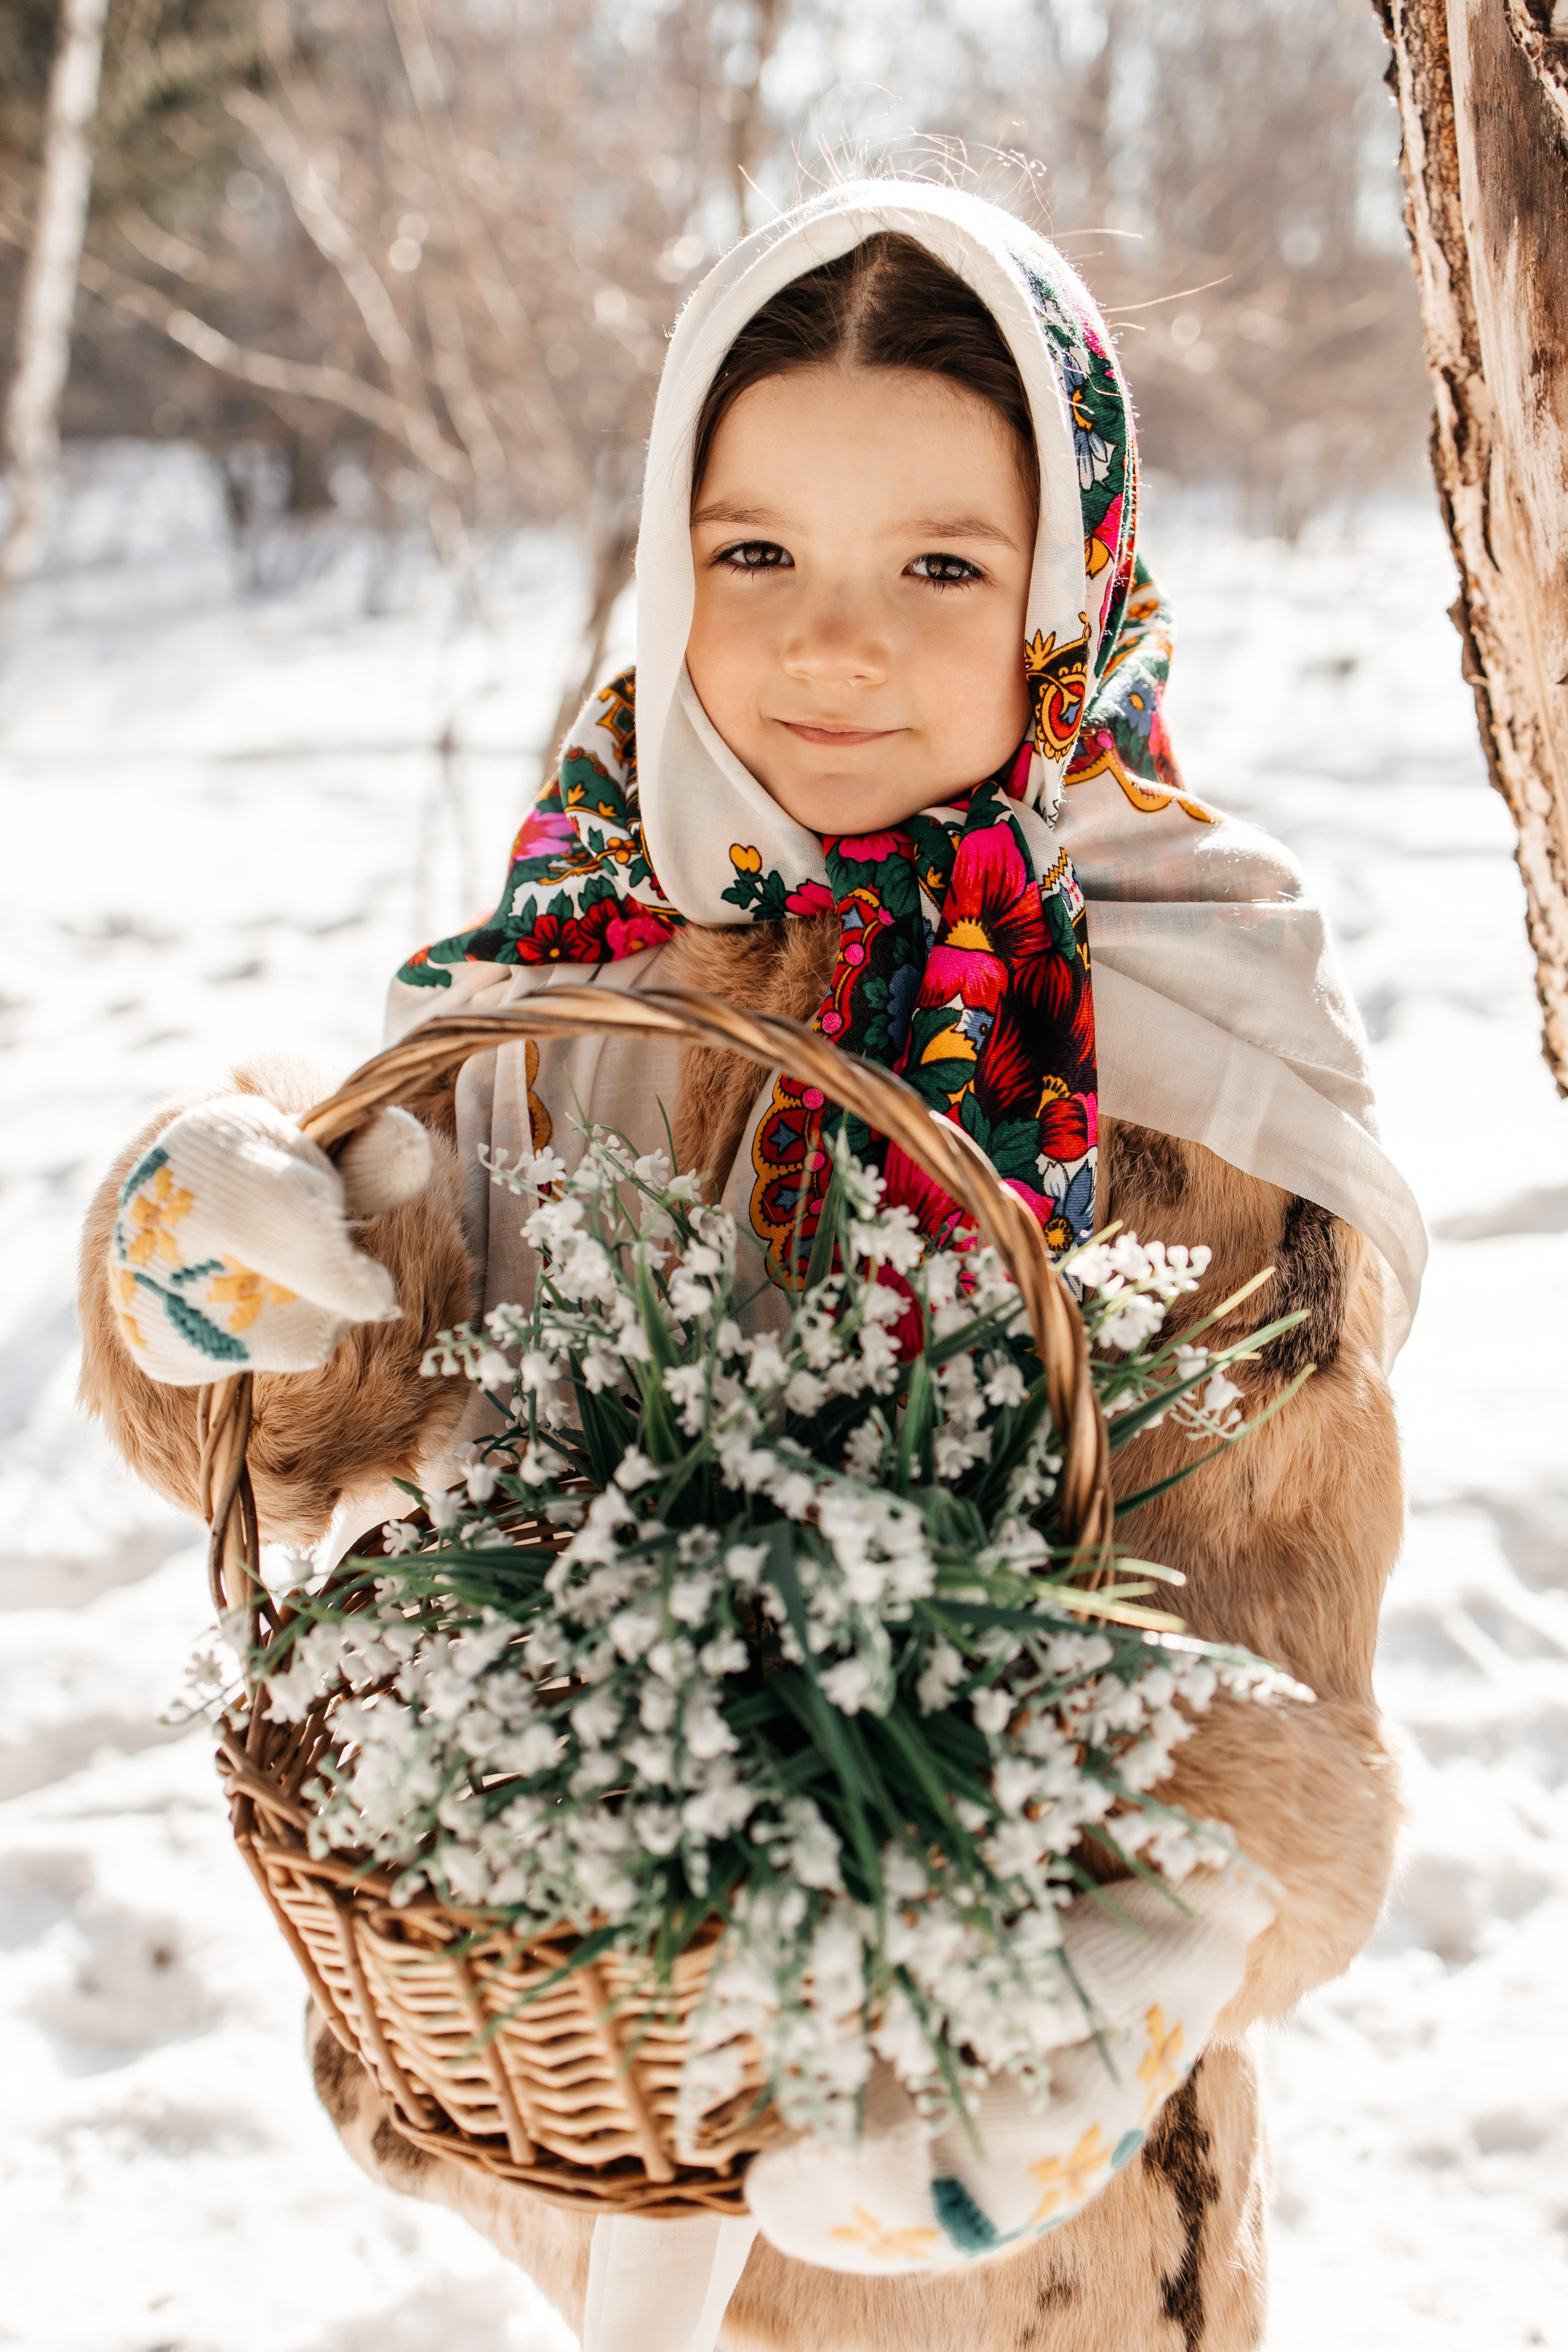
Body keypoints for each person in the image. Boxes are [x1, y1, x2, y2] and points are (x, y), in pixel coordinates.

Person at [79, 181, 1425, 2352]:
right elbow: (360, 1390)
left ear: (1070, 592)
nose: (834, 644)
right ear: (664, 554)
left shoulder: (1179, 1032)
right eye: (757, 553)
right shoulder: (593, 933)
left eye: (941, 566)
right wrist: (226, 1269)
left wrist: (1145, 1931)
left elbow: (1271, 1650)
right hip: (606, 2115)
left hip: (1034, 2223)